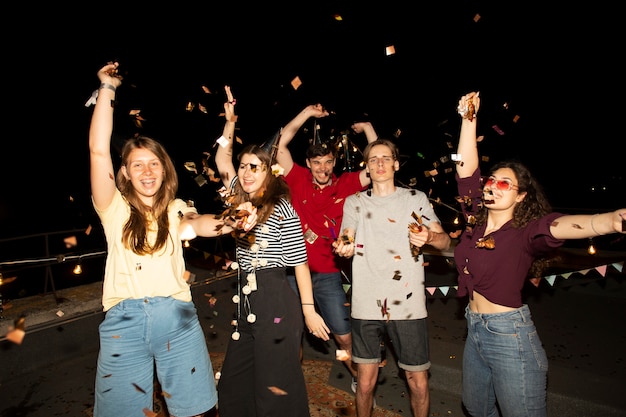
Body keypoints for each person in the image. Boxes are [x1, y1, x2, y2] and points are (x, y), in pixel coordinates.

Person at [89, 62, 258, 417]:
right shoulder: (112, 208)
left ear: (164, 169)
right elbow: (99, 151)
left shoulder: (175, 209)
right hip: (124, 321)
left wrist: (233, 220)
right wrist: (107, 88)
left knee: (197, 411)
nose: (147, 171)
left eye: (154, 164)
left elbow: (197, 225)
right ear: (125, 172)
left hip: (177, 318)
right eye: (137, 165)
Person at [453, 91, 626, 417]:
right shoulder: (474, 218)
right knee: (476, 409)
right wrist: (468, 118)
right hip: (473, 328)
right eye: (492, 180)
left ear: (520, 197)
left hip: (509, 336)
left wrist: (610, 220)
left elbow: (560, 226)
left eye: (505, 183)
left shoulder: (525, 232)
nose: (492, 185)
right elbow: (465, 168)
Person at [212, 86, 330, 416]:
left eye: (256, 167)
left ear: (269, 171)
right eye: (244, 166)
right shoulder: (238, 196)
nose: (247, 172)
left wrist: (308, 311)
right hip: (245, 300)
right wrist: (230, 123)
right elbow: (222, 157)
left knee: (275, 390)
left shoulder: (281, 207)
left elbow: (300, 264)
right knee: (233, 385)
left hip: (274, 298)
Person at [332, 138, 451, 417]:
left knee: (418, 382)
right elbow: (346, 235)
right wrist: (345, 245)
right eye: (373, 159)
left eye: (386, 158)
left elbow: (446, 243)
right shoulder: (355, 202)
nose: (380, 163)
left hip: (407, 307)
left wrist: (430, 237)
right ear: (368, 167)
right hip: (366, 303)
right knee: (364, 383)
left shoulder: (416, 199)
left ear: (396, 164)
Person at [275, 103, 378, 390]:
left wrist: (368, 130)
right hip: (293, 273)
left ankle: (358, 377)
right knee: (290, 333)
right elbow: (281, 142)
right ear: (308, 163)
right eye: (317, 162)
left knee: (343, 335)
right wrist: (307, 113)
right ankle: (292, 384)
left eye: (328, 162)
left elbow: (377, 165)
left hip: (328, 275)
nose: (322, 168)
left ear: (334, 162)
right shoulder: (296, 179)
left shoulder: (346, 184)